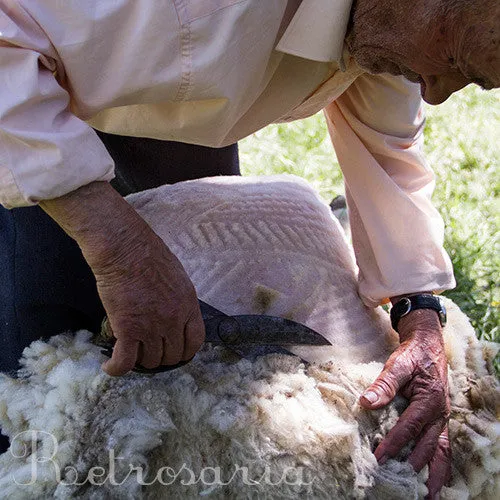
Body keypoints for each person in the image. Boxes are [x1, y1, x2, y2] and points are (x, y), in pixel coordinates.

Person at [0, 0, 498, 495]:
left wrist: (418, 309)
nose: (435, 93)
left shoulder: (392, 25)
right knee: (50, 388)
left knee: (194, 386)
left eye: (473, 80)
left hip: (175, 81)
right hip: (24, 89)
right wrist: (120, 252)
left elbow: (385, 144)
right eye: (454, 60)